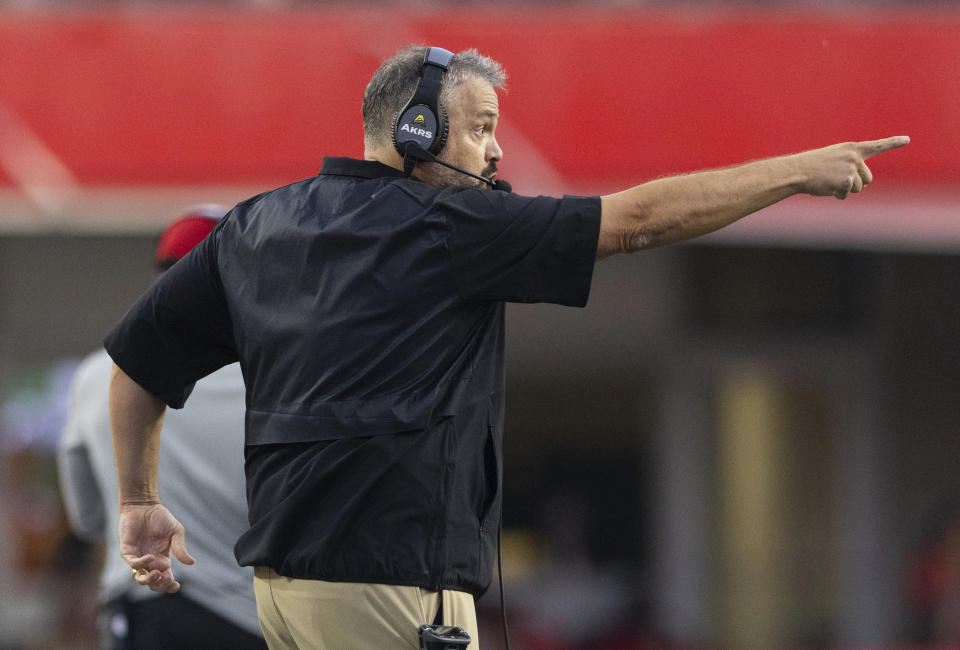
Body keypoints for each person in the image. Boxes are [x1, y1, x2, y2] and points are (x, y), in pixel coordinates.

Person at [103, 45, 909, 649]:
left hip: (282, 591)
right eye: (482, 129)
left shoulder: (255, 224)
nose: (496, 152)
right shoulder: (448, 226)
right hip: (392, 589)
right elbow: (636, 220)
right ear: (418, 129)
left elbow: (137, 361)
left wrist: (138, 502)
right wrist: (797, 171)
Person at [58, 205, 267, 650]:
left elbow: (88, 519)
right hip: (252, 617)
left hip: (143, 607)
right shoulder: (278, 374)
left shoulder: (99, 375)